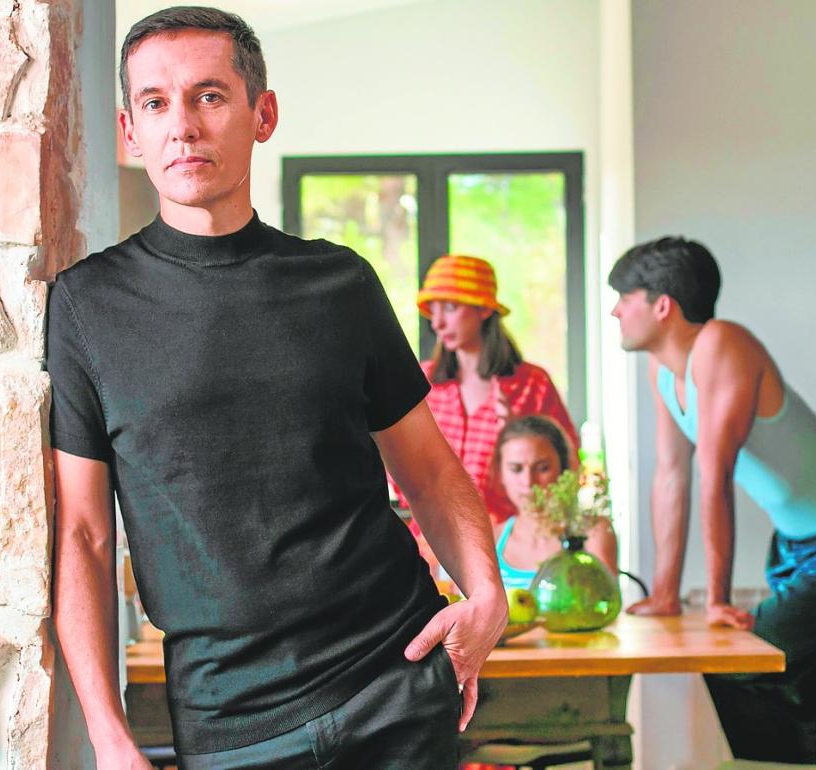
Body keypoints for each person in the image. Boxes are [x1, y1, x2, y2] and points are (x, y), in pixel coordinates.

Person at [46, 8, 506, 769]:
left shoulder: (340, 283)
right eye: (155, 103)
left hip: (394, 679)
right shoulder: (87, 306)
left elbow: (427, 470)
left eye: (209, 96)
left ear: (263, 115)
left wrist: (486, 595)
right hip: (228, 722)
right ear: (130, 132)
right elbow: (86, 537)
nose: (183, 126)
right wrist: (108, 733)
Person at [608, 236, 816, 764]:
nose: (615, 311)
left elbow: (714, 472)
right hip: (797, 550)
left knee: (740, 662)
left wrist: (718, 600)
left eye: (624, 298)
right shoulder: (663, 370)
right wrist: (665, 594)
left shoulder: (722, 343)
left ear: (662, 305)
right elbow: (671, 476)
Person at [412, 254, 579, 525]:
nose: (437, 323)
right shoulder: (422, 381)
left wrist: (515, 435)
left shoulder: (533, 385)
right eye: (433, 309)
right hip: (432, 537)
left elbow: (568, 468)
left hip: (506, 540)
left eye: (450, 308)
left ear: (484, 310)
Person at [492, 416, 617, 591]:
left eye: (542, 468)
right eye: (516, 469)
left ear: (564, 469)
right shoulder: (491, 541)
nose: (528, 481)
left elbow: (606, 602)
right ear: (500, 474)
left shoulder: (591, 533)